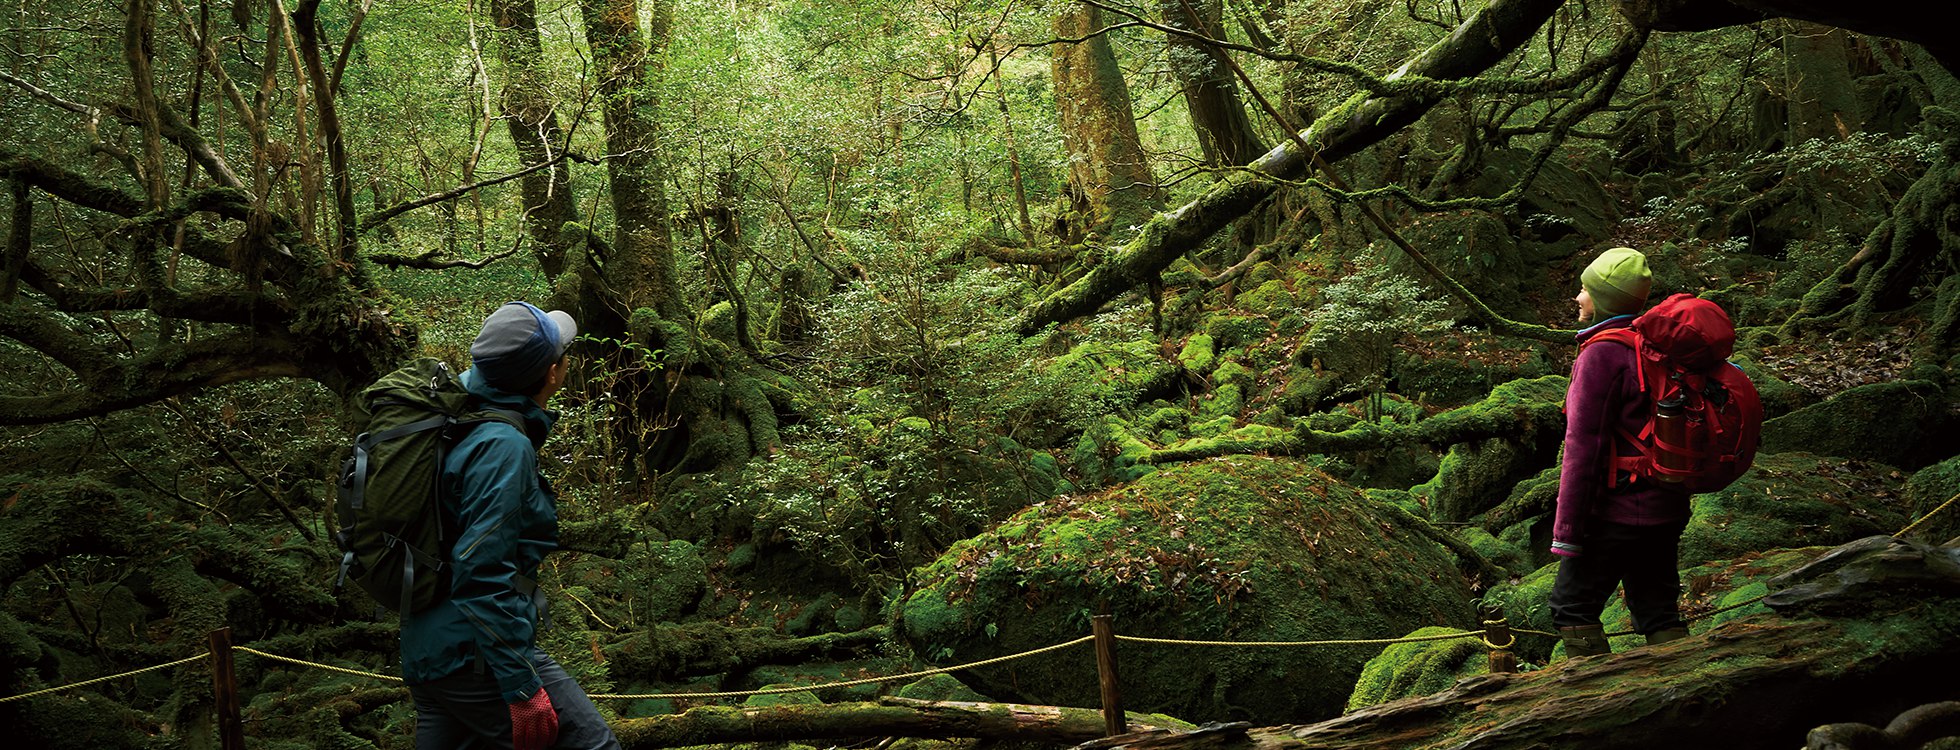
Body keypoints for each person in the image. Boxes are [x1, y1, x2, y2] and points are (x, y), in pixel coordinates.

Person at [401, 301, 620, 750]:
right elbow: (480, 573)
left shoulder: (455, 413)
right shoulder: (502, 445)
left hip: (428, 646)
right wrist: (522, 686)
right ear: (552, 374)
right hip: (473, 653)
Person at [1549, 247, 1691, 658]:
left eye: (1585, 288)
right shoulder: (1657, 345)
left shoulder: (1602, 353)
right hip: (1667, 502)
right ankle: (1684, 689)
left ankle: (1595, 699)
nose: (1577, 296)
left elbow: (1583, 447)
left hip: (1616, 512)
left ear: (1604, 298)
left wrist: (1568, 534)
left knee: (1571, 606)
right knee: (1658, 610)